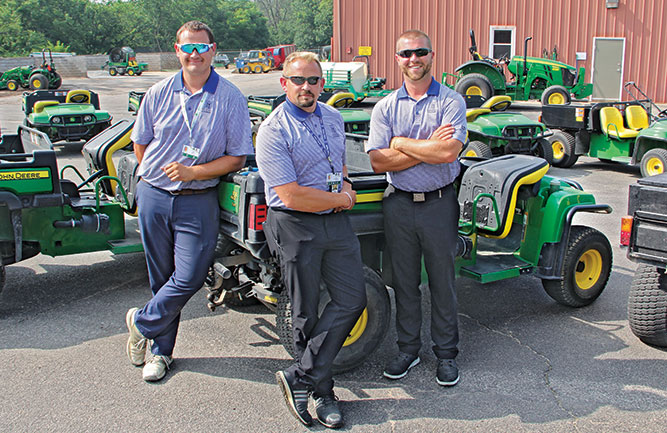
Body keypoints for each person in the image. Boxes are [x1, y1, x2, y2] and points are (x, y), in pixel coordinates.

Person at [124, 20, 253, 382]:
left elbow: (238, 157)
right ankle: (160, 353)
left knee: (191, 275)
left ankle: (141, 322)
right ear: (177, 50)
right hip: (154, 195)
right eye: (188, 47)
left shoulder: (229, 97)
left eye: (201, 47)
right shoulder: (158, 92)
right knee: (160, 277)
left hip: (197, 198)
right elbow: (141, 143)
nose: (194, 54)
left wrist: (193, 173)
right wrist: (159, 175)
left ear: (213, 50)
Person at [255, 52, 367, 428]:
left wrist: (346, 186)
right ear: (284, 82)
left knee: (352, 298)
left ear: (323, 83)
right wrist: (343, 199)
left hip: (334, 221)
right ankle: (321, 391)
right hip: (295, 224)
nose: (307, 87)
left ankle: (298, 376)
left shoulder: (334, 118)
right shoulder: (274, 129)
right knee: (305, 312)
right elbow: (290, 194)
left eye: (314, 80)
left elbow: (340, 165)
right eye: (298, 80)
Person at [365, 30, 467, 386]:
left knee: (442, 282)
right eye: (406, 53)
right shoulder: (385, 106)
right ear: (397, 59)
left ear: (431, 55)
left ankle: (446, 355)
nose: (413, 59)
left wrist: (401, 143)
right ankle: (408, 350)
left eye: (419, 52)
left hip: (439, 204)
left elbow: (447, 153)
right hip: (398, 204)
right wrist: (424, 147)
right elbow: (378, 162)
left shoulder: (451, 101)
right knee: (405, 283)